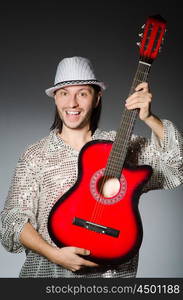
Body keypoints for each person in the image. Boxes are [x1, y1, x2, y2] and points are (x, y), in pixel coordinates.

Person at [0, 56, 183, 278]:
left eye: (83, 93)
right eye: (64, 93)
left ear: (97, 98)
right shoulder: (35, 156)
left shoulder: (122, 148)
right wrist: (54, 254)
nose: (72, 103)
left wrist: (150, 118)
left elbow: (176, 163)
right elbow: (12, 221)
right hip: (48, 277)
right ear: (55, 99)